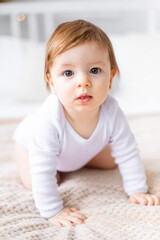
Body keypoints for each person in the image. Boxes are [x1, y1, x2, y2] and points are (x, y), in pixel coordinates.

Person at [13, 19, 160, 228]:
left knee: (112, 160)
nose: (83, 82)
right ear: (51, 82)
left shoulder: (112, 111)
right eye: (68, 73)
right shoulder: (47, 121)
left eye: (94, 70)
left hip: (72, 151)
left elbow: (128, 152)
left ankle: (74, 159)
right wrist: (53, 211)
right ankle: (63, 166)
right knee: (38, 181)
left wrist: (137, 190)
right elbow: (41, 171)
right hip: (30, 147)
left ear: (111, 78)